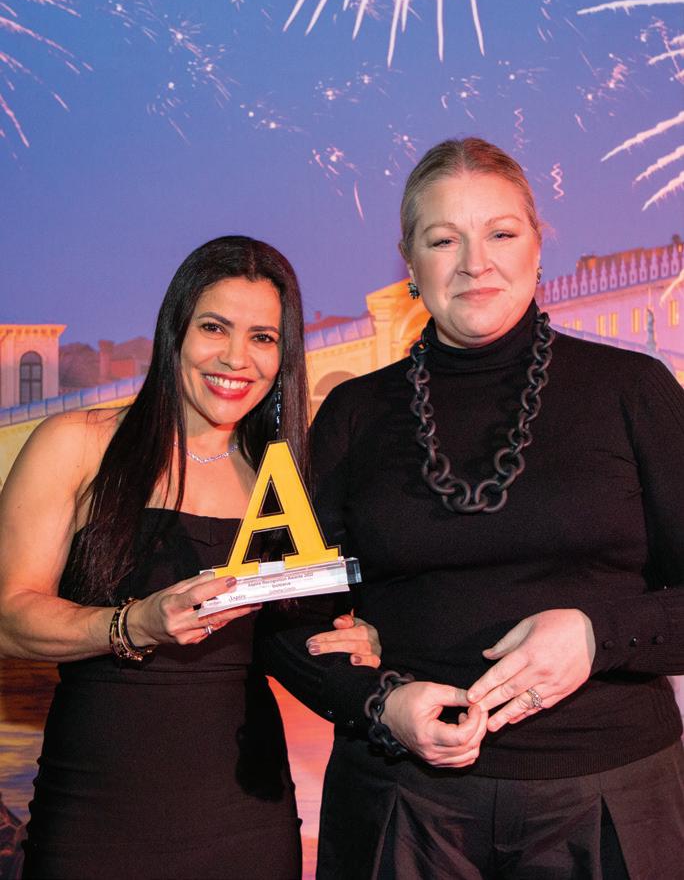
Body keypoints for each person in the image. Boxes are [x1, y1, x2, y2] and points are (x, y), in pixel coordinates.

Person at [265, 139, 684, 879]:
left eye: (500, 233)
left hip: (611, 794)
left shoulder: (635, 390)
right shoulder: (351, 415)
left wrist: (597, 634)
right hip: (400, 798)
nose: (474, 263)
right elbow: (277, 613)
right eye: (443, 240)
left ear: (537, 246)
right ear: (409, 261)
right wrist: (379, 705)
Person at [0, 235, 380, 880]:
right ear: (175, 330)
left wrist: (361, 635)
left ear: (284, 356)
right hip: (94, 815)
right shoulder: (77, 444)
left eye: (263, 337)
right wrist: (134, 623)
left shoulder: (285, 481)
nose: (236, 357)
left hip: (247, 819)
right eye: (214, 327)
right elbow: (10, 618)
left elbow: (295, 634)